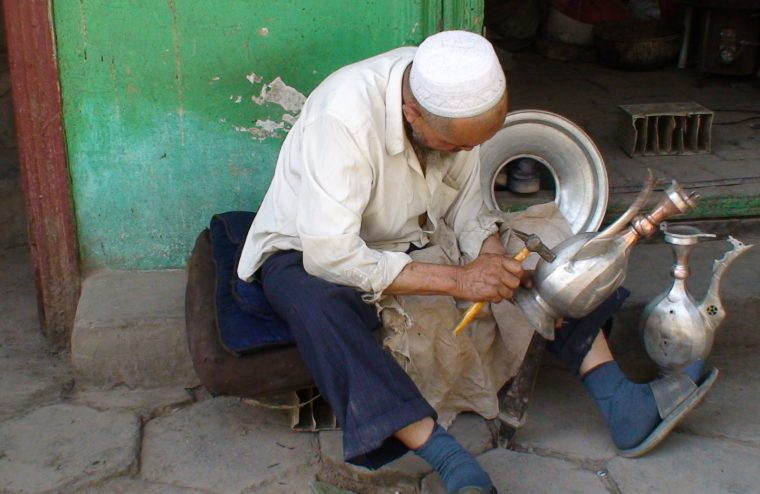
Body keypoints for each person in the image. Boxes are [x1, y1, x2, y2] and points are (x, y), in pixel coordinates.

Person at [238, 30, 715, 494]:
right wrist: (458, 280)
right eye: (455, 146)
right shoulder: (342, 119)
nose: (465, 153)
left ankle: (618, 397)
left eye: (473, 145)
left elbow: (466, 205)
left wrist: (489, 253)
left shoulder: (457, 88)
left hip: (412, 237)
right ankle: (451, 459)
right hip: (306, 250)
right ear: (411, 114)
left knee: (547, 241)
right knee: (318, 307)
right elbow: (331, 254)